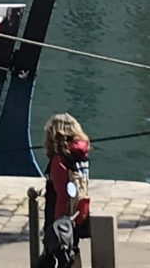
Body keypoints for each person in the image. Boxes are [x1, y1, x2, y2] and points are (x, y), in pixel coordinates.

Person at [40, 112, 91, 268]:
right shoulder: (81, 155)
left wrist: (57, 223)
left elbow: (62, 193)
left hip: (61, 216)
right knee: (72, 250)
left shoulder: (59, 160)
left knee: (56, 255)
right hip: (78, 211)